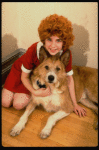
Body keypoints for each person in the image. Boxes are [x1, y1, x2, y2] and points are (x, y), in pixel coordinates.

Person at [2, 14, 86, 117]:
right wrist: (35, 92)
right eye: (49, 39)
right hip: (21, 72)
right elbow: (24, 76)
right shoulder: (33, 49)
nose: (53, 45)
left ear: (64, 41)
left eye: (58, 40)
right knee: (5, 102)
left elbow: (70, 79)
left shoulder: (65, 54)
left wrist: (75, 104)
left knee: (18, 104)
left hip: (35, 76)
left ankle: (18, 95)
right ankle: (12, 93)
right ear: (44, 39)